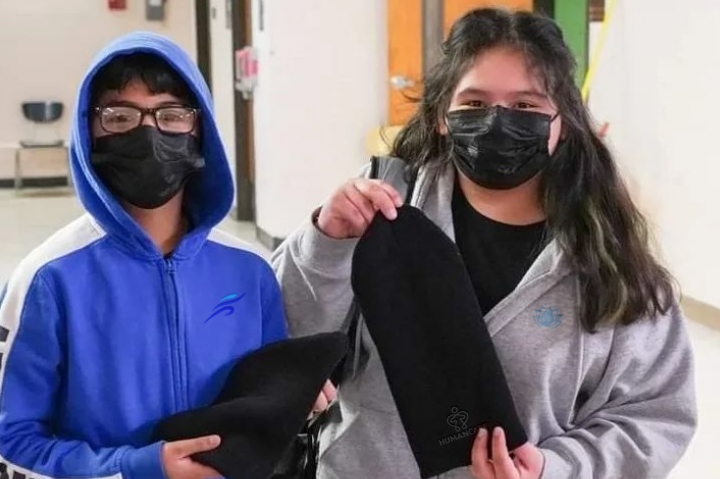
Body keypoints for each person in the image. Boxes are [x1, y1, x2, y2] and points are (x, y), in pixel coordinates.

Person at [272, 8, 696, 479]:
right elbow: (280, 336)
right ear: (440, 117)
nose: (497, 121)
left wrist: (551, 470)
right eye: (473, 103)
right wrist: (326, 244)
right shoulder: (379, 209)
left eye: (527, 106)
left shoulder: (609, 258)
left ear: (563, 123)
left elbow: (653, 416)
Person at [0, 32, 331, 479]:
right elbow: (14, 439)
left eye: (171, 114)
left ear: (201, 130)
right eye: (120, 117)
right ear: (88, 130)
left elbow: (262, 407)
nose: (148, 132)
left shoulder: (249, 271)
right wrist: (136, 467)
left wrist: (295, 402)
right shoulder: (47, 277)